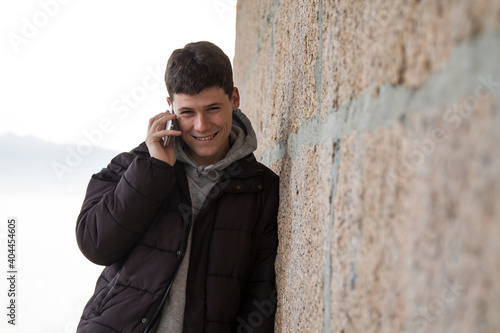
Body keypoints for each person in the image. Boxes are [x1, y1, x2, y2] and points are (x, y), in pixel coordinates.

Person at [75, 41, 280, 333]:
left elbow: (260, 293)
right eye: (187, 112)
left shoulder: (261, 187)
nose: (201, 125)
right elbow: (95, 244)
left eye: (212, 108)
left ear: (234, 98)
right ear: (169, 107)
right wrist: (153, 171)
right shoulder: (134, 167)